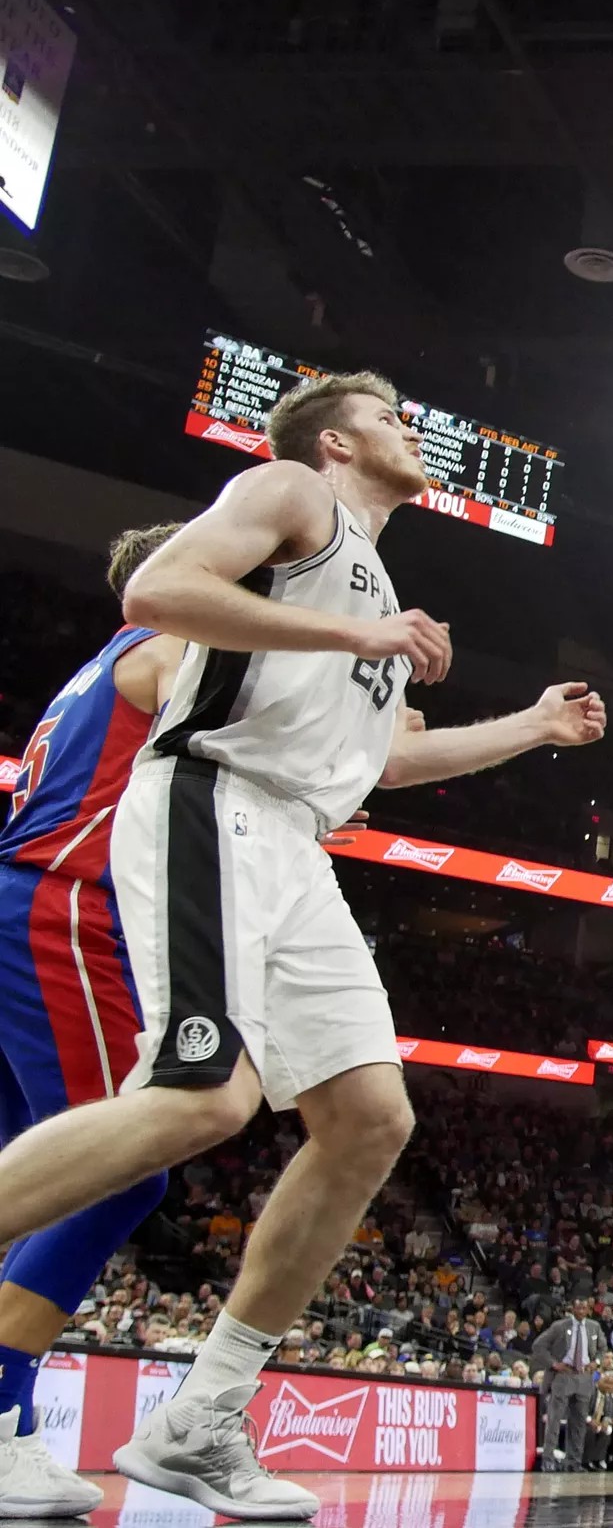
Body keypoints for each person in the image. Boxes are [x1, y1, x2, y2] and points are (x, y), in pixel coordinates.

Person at [0, 372, 609, 1520]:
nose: (406, 426)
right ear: (335, 439)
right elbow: (156, 587)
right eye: (385, 412)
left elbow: (379, 765)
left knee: (373, 1118)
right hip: (211, 799)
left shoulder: (379, 582)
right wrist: (351, 628)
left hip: (297, 837)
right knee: (200, 1101)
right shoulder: (289, 491)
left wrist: (530, 725)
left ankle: (201, 1418)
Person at [0, 524, 185, 1517]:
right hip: (60, 904)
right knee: (122, 1164)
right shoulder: (167, 648)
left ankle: (13, 1429)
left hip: (23, 899)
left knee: (22, 1184)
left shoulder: (103, 665)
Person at [532, 1298, 609, 1471]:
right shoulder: (560, 1326)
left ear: (588, 1310)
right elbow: (538, 1345)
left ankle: (574, 1461)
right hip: (564, 1375)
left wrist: (596, 1362)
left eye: (584, 1307)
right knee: (554, 1419)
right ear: (572, 1308)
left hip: (584, 1377)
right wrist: (553, 1364)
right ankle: (548, 1459)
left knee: (579, 1422)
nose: (581, 1310)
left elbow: (603, 1349)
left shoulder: (594, 1327)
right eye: (578, 1307)